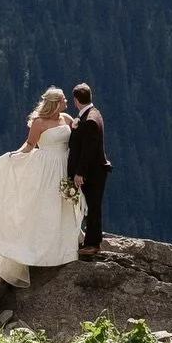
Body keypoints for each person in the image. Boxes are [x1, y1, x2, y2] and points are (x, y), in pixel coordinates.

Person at [0, 86, 85, 285]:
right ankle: (43, 248)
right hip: (46, 168)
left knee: (66, 203)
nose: (67, 102)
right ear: (55, 103)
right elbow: (30, 144)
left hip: (64, 166)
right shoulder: (39, 123)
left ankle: (65, 244)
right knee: (47, 205)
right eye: (63, 99)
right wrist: (16, 155)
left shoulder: (67, 119)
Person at [66, 82, 110, 257]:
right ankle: (91, 240)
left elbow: (88, 151)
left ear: (76, 100)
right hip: (94, 171)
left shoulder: (89, 120)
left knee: (93, 206)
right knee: (91, 206)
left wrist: (80, 172)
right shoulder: (93, 114)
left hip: (93, 172)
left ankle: (93, 243)